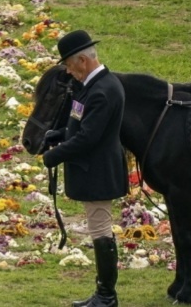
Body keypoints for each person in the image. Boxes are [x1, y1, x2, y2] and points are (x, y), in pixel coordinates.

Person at [43, 30, 128, 307]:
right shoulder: (93, 86)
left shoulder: (103, 90)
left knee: (101, 230)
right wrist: (57, 134)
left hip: (99, 170)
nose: (69, 72)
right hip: (94, 169)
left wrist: (54, 155)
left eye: (68, 65)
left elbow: (89, 137)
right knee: (98, 228)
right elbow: (79, 123)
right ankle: (104, 294)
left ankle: (106, 296)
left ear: (82, 60)